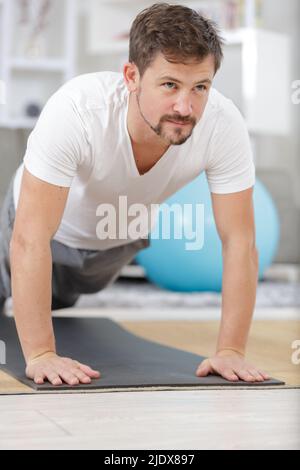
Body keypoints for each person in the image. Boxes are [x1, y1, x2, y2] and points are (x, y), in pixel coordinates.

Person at [0, 3, 270, 386]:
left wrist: (231, 350)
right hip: (30, 232)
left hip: (112, 245)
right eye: (169, 85)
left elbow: (240, 241)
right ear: (131, 76)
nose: (185, 106)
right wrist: (42, 354)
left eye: (200, 87)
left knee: (55, 304)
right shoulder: (78, 109)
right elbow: (29, 238)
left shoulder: (223, 126)